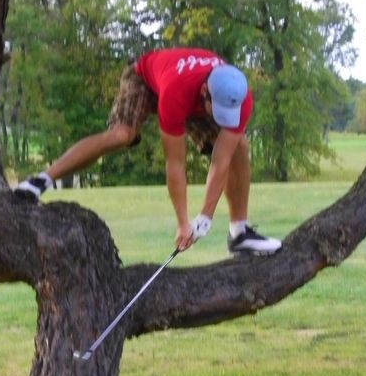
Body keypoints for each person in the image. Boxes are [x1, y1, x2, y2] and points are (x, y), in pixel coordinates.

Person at [16, 47, 282, 255]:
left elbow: (221, 160)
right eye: (219, 112)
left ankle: (240, 234)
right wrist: (183, 223)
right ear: (205, 93)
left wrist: (206, 216)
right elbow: (175, 165)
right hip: (146, 77)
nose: (225, 119)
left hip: (189, 93)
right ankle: (41, 180)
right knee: (122, 134)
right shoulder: (178, 93)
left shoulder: (240, 98)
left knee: (240, 147)